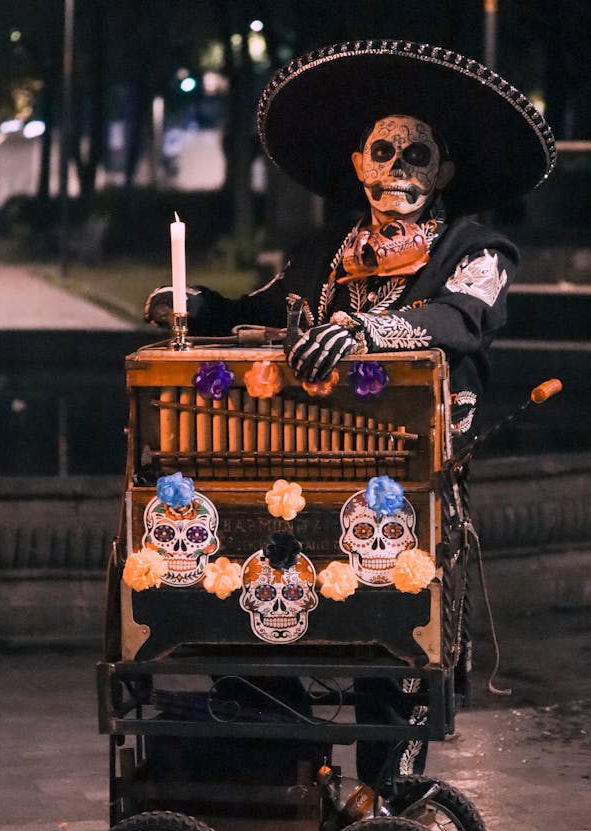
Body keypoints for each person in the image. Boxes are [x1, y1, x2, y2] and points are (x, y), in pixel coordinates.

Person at [145, 39, 556, 786]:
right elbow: (257, 310)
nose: (397, 172)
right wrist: (199, 305)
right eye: (383, 153)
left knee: (389, 655)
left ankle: (381, 805)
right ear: (359, 163)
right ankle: (281, 791)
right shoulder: (328, 251)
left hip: (400, 490)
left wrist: (367, 331)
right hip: (305, 481)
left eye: (417, 156)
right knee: (254, 628)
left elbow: (462, 319)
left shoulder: (479, 249)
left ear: (446, 172)